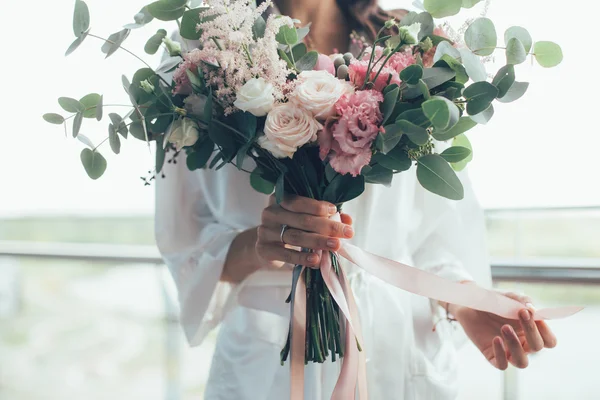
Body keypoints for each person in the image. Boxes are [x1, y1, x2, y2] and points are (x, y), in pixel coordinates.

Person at [155, 0, 558, 398]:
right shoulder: (202, 47)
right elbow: (186, 242)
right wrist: (265, 245)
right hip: (268, 353)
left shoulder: (414, 44)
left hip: (398, 346)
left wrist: (466, 302)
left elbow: (436, 234)